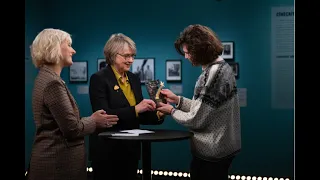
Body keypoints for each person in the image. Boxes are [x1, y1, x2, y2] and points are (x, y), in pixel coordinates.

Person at [27, 28, 119, 180]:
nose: (73, 51)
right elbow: (72, 129)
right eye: (68, 45)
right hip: (57, 166)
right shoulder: (52, 83)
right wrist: (94, 120)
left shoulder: (45, 78)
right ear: (54, 47)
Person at [157, 24, 241, 180]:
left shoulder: (212, 75)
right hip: (223, 149)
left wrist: (171, 111)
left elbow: (197, 119)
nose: (186, 57)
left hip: (212, 153)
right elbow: (206, 108)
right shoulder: (223, 68)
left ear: (201, 50)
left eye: (188, 52)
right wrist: (177, 100)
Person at [88, 33, 166, 180]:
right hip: (107, 150)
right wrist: (136, 109)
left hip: (131, 149)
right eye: (126, 56)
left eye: (133, 56)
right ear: (112, 55)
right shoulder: (99, 79)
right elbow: (104, 116)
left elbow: (140, 114)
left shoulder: (134, 78)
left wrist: (159, 113)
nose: (131, 60)